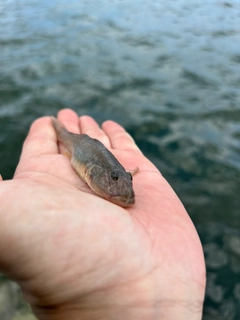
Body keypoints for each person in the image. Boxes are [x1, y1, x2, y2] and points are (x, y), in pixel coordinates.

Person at [0, 109, 206, 320]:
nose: (123, 187)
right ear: (91, 171)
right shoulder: (91, 164)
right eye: (115, 178)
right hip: (81, 144)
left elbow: (119, 174)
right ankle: (55, 124)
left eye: (125, 178)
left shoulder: (116, 178)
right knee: (64, 133)